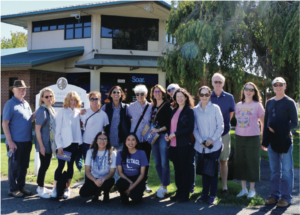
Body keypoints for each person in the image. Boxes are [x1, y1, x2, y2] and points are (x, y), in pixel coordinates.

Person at [262, 77, 298, 207]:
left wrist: (278, 128)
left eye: (280, 84)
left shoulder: (290, 102)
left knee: (287, 170)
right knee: (274, 170)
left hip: (285, 141)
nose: (278, 87)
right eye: (275, 85)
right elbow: (266, 121)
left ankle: (286, 197)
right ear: (272, 87)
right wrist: (264, 140)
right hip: (272, 141)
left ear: (285, 86)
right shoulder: (269, 102)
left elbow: (295, 123)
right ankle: (274, 195)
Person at [2, 80, 36, 198]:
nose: (22, 91)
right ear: (13, 90)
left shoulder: (26, 103)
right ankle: (12, 189)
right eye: (20, 89)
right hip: (15, 142)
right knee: (14, 167)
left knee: (24, 166)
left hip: (27, 141)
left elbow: (28, 120)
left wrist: (37, 113)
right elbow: (5, 123)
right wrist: (10, 141)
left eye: (24, 89)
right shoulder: (10, 104)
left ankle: (20, 187)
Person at [193, 86, 224, 204]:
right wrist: (201, 141)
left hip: (214, 145)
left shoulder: (215, 108)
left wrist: (212, 139)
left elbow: (220, 126)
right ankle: (204, 194)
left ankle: (213, 195)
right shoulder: (195, 110)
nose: (204, 97)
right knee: (204, 170)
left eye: (207, 94)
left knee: (213, 170)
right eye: (202, 94)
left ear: (210, 95)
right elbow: (194, 128)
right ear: (199, 95)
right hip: (201, 146)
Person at [234, 82, 265, 199]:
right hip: (239, 137)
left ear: (254, 92)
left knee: (252, 162)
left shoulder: (258, 105)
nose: (248, 91)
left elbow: (263, 123)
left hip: (253, 138)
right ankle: (243, 189)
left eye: (251, 90)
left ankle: (252, 190)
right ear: (243, 91)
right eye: (246, 89)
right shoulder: (238, 105)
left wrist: (263, 139)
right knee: (240, 162)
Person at [165, 88, 195, 202]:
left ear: (186, 97)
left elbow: (190, 128)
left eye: (182, 96)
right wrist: (168, 135)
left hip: (184, 144)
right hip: (173, 145)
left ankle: (185, 193)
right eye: (177, 97)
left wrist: (175, 134)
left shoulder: (189, 111)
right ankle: (179, 191)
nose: (179, 98)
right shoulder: (174, 110)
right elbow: (171, 126)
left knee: (184, 169)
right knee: (177, 169)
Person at [52, 91, 83, 199]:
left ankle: (67, 188)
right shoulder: (61, 112)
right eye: (71, 100)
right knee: (61, 166)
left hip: (74, 145)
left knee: (70, 166)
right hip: (64, 146)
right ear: (67, 100)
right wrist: (59, 145)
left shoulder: (78, 112)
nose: (73, 102)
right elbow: (57, 131)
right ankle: (55, 188)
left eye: (75, 100)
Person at [210, 73, 235, 195]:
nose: (218, 84)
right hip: (210, 134)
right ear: (212, 83)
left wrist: (224, 126)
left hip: (224, 133)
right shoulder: (207, 96)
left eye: (220, 82)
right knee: (211, 160)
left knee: (223, 160)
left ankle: (224, 187)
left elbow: (231, 114)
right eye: (216, 82)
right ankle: (211, 185)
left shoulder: (229, 97)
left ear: (223, 83)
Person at [101, 86, 130, 183]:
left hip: (121, 139)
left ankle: (118, 183)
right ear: (111, 94)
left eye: (118, 92)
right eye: (114, 92)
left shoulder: (126, 107)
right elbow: (99, 119)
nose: (116, 94)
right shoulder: (106, 107)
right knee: (107, 162)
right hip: (108, 140)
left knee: (119, 163)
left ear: (121, 94)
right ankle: (107, 182)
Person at [127, 84, 153, 193]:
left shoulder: (151, 107)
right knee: (134, 163)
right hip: (135, 140)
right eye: (137, 94)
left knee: (145, 163)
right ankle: (133, 183)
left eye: (142, 94)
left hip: (147, 140)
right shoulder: (130, 107)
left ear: (146, 94)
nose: (139, 96)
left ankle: (144, 184)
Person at [79, 132, 116, 202]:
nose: (102, 141)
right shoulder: (90, 152)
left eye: (105, 139)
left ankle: (106, 192)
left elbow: (112, 172)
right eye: (100, 139)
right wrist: (95, 180)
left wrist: (102, 179)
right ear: (96, 141)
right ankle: (96, 191)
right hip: (94, 178)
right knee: (83, 193)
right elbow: (87, 170)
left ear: (107, 141)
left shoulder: (112, 153)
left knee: (108, 183)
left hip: (106, 178)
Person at [149, 84, 172, 198]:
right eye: (155, 91)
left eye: (159, 91)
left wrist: (159, 129)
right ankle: (162, 184)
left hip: (163, 136)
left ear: (163, 93)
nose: (157, 93)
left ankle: (164, 186)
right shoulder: (153, 106)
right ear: (152, 94)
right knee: (157, 162)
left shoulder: (167, 105)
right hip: (154, 136)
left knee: (164, 163)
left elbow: (170, 123)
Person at [35, 88, 57, 198]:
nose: (49, 98)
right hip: (44, 143)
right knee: (44, 165)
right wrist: (42, 147)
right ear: (42, 98)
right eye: (46, 96)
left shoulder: (50, 109)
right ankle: (40, 189)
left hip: (49, 142)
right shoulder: (42, 111)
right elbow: (37, 130)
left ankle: (40, 186)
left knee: (45, 165)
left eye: (51, 96)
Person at [116, 133, 149, 205]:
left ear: (136, 142)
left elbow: (142, 174)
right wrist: (130, 182)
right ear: (125, 142)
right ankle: (124, 195)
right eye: (128, 140)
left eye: (133, 140)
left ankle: (131, 192)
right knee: (120, 183)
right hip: (126, 178)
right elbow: (120, 173)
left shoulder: (142, 153)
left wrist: (131, 187)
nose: (130, 142)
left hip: (137, 178)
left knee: (136, 199)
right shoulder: (120, 153)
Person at [80, 91, 109, 163]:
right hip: (87, 143)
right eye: (92, 99)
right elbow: (80, 125)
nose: (94, 101)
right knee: (87, 165)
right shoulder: (84, 112)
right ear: (89, 100)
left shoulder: (104, 114)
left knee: (98, 165)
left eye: (96, 99)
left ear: (99, 100)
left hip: (99, 143)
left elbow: (104, 128)